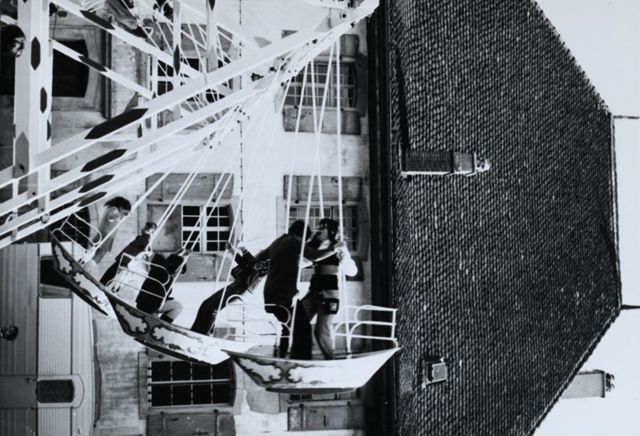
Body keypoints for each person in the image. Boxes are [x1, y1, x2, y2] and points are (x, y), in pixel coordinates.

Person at [256, 220, 344, 359]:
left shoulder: (278, 241)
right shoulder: (295, 241)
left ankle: (282, 356)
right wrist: (333, 249)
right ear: (303, 236)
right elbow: (314, 256)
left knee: (288, 326)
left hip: (271, 294)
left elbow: (260, 257)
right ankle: (302, 359)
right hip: (284, 295)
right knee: (303, 329)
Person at [301, 219, 358, 359]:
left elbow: (352, 272)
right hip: (313, 292)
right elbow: (302, 262)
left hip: (328, 295)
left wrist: (344, 259)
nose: (319, 229)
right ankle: (302, 356)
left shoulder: (338, 247)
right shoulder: (313, 246)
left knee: (321, 332)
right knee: (299, 321)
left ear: (331, 231)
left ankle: (330, 359)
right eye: (319, 226)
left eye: (323, 227)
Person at [190, 245, 268, 335]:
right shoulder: (255, 261)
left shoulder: (267, 263)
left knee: (213, 308)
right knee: (205, 304)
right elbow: (243, 262)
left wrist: (244, 250)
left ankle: (204, 333)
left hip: (242, 289)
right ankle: (195, 330)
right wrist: (231, 250)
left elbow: (255, 265)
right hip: (236, 285)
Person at [135, 248, 189, 323]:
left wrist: (176, 254)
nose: (176, 274)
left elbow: (168, 263)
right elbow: (171, 265)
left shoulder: (160, 270)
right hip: (149, 304)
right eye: (178, 271)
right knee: (178, 307)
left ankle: (161, 321)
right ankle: (162, 324)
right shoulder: (164, 274)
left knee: (173, 304)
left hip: (145, 302)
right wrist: (183, 258)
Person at [100, 221, 156, 287]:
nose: (144, 229)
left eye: (147, 228)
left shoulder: (147, 239)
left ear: (151, 230)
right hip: (125, 257)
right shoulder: (142, 237)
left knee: (113, 272)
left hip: (127, 259)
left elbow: (147, 251)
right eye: (145, 227)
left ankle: (103, 284)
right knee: (113, 271)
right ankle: (104, 284)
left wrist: (150, 238)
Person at [93, 196, 132, 264]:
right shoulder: (114, 210)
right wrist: (120, 214)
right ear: (121, 208)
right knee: (100, 254)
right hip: (106, 235)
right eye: (125, 213)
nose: (124, 215)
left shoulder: (113, 210)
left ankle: (90, 264)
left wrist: (122, 215)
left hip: (106, 235)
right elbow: (110, 217)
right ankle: (90, 265)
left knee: (99, 254)